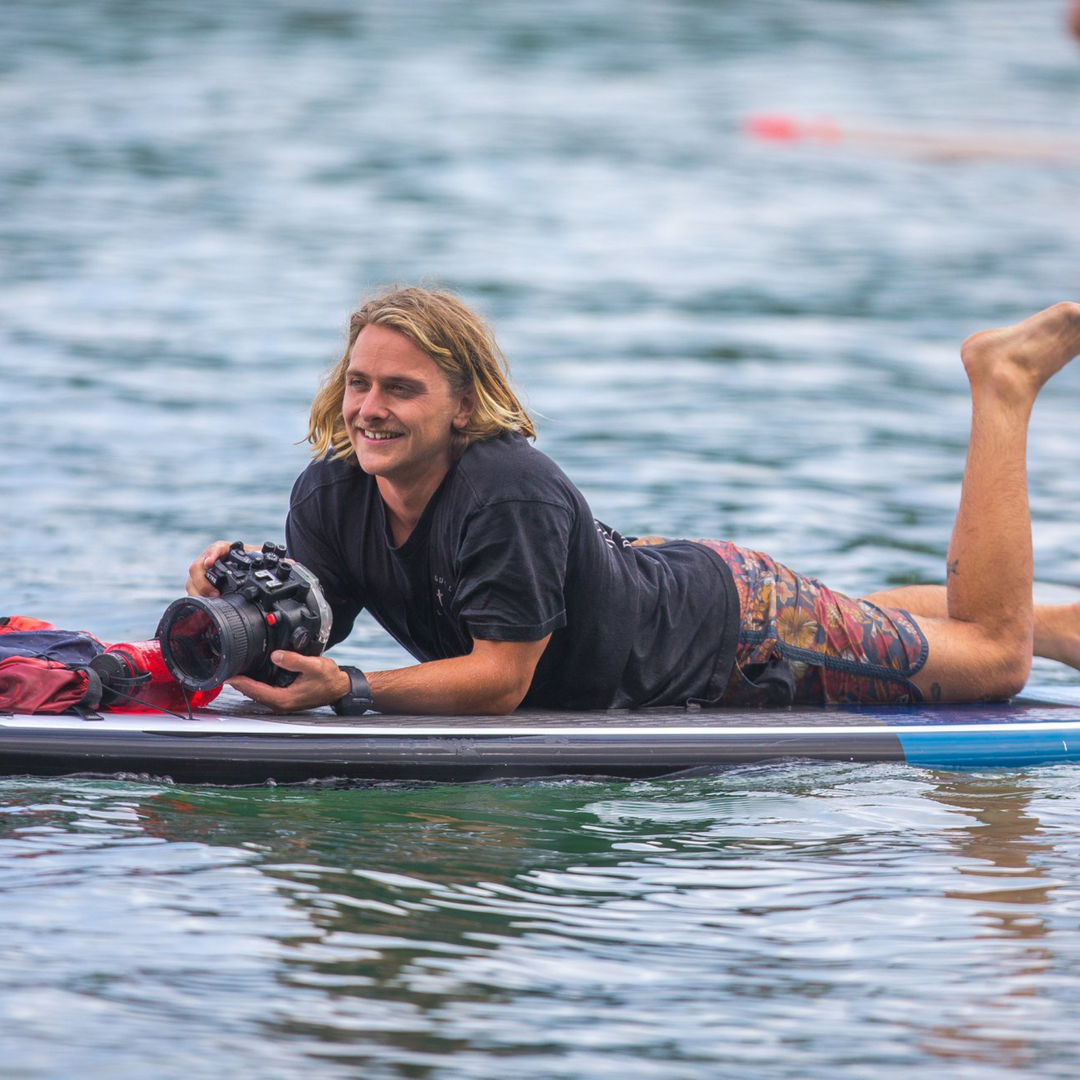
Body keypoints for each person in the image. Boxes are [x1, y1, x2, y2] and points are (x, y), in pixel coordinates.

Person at [186, 288, 1080, 716]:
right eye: (360, 384)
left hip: (742, 637)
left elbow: (503, 680)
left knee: (993, 664)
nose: (370, 410)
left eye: (402, 391)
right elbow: (327, 616)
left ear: (463, 406)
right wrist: (253, 607)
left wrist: (351, 690)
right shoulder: (332, 490)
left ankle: (1002, 384)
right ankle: (1065, 623)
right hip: (652, 583)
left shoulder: (506, 490)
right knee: (895, 625)